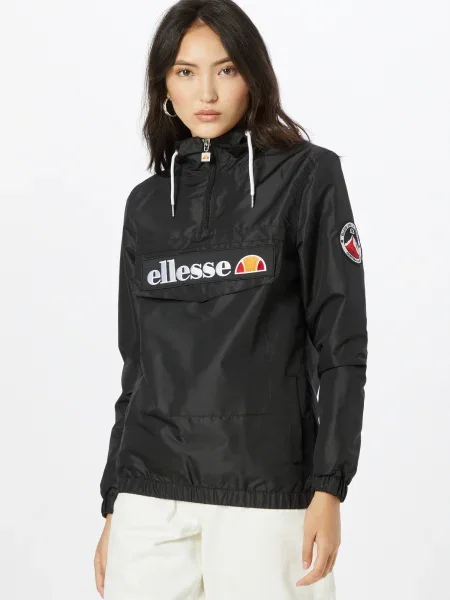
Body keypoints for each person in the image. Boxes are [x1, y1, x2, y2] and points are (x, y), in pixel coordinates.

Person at [93, 0, 368, 598]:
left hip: (264, 493)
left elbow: (342, 346)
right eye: (185, 72)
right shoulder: (146, 205)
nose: (207, 92)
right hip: (149, 498)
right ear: (163, 86)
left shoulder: (307, 177)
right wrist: (115, 501)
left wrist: (329, 486)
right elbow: (136, 367)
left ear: (253, 74)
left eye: (226, 69)